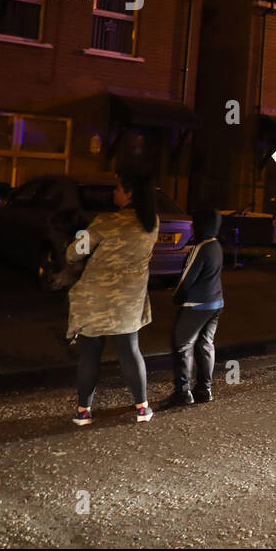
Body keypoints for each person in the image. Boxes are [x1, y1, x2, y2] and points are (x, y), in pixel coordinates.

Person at [66, 176, 159, 425]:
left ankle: (83, 411)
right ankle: (142, 408)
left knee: (90, 353)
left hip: (95, 298)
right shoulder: (152, 223)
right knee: (130, 351)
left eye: (118, 188)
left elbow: (75, 252)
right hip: (128, 300)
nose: (114, 192)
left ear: (129, 193)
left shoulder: (105, 221)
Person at [161, 209, 225, 408]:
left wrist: (177, 297)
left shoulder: (201, 248)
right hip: (216, 303)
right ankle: (204, 389)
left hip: (196, 304)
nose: (190, 226)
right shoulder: (216, 246)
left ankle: (182, 392)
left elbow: (186, 278)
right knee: (206, 344)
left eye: (193, 223)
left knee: (181, 345)